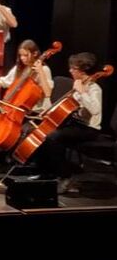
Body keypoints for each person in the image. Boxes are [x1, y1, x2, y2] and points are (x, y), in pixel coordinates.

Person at [29, 52, 104, 194]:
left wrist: (82, 93)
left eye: (73, 69)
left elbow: (94, 110)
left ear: (83, 72)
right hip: (74, 123)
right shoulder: (78, 84)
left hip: (88, 129)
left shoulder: (94, 88)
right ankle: (46, 172)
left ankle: (65, 176)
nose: (70, 71)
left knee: (53, 137)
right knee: (43, 131)